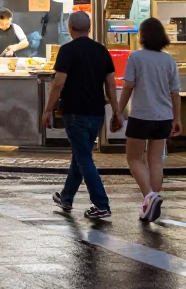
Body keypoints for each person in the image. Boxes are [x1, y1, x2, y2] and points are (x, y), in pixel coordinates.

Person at [42, 11, 119, 220]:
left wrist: (48, 109)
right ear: (90, 27)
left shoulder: (67, 51)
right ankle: (67, 197)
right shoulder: (102, 51)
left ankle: (101, 204)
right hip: (96, 112)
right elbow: (110, 83)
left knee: (84, 157)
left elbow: (58, 83)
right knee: (80, 154)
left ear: (69, 28)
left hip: (74, 112)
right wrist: (117, 111)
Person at [115, 18, 181, 223]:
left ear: (142, 36)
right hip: (164, 116)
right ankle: (151, 201)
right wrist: (177, 118)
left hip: (141, 115)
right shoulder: (168, 60)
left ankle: (149, 197)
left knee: (134, 158)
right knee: (155, 161)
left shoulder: (136, 57)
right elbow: (175, 93)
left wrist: (118, 111)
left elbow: (127, 87)